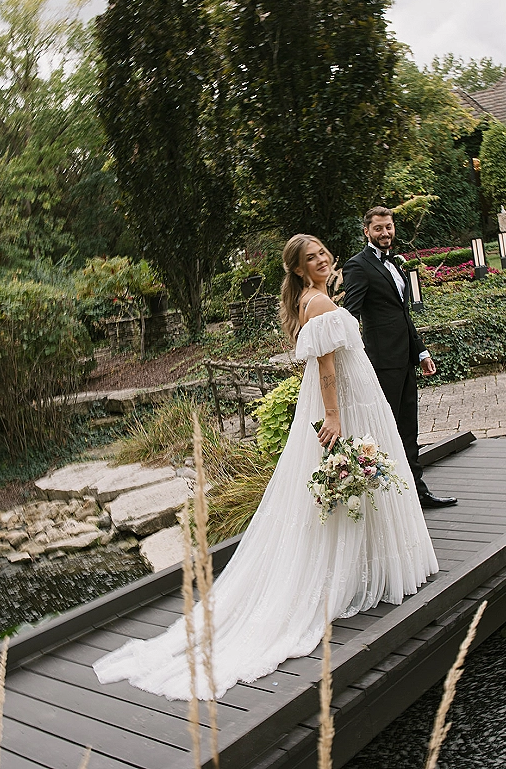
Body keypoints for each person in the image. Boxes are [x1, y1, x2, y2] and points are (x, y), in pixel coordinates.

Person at [93, 234, 438, 701]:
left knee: (366, 483)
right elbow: (326, 370)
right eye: (311, 258)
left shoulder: (318, 298)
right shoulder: (316, 305)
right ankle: (360, 572)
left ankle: (370, 566)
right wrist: (335, 415)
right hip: (347, 401)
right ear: (298, 270)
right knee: (359, 478)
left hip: (360, 394)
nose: (322, 259)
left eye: (322, 253)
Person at [343, 206, 457, 508]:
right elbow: (350, 315)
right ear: (367, 231)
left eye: (389, 227)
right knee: (383, 430)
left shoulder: (395, 263)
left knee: (409, 429)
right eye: (378, 228)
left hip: (405, 359)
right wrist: (351, 358)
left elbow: (402, 313)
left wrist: (420, 351)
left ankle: (417, 494)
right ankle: (384, 501)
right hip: (381, 363)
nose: (385, 233)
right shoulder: (357, 266)